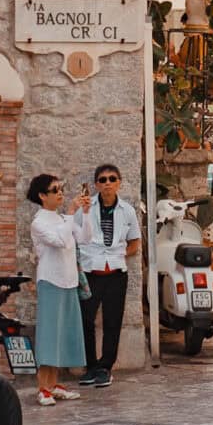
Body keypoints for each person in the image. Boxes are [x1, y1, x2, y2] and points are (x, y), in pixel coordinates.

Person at [27, 173, 93, 406]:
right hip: (51, 281)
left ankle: (54, 384)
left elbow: (85, 237)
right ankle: (42, 387)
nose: (60, 193)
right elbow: (60, 241)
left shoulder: (64, 218)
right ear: (42, 196)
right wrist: (73, 214)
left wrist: (84, 213)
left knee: (63, 334)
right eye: (55, 190)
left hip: (69, 281)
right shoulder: (39, 222)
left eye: (61, 189)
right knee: (49, 335)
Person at [74, 163, 141, 387]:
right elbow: (73, 234)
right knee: (85, 320)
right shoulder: (85, 208)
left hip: (115, 274)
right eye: (102, 180)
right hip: (91, 273)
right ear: (96, 184)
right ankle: (90, 366)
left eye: (112, 179)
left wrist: (120, 256)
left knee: (113, 321)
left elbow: (135, 242)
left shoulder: (128, 210)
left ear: (119, 182)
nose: (108, 183)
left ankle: (105, 367)